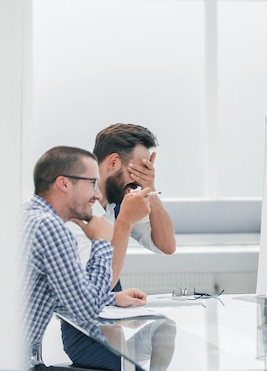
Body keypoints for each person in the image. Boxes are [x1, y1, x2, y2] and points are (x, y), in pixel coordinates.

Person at [19, 146, 147, 370]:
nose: (97, 195)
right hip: (18, 363)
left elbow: (66, 294)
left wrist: (112, 298)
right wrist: (101, 241)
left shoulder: (27, 215)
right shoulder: (50, 227)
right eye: (92, 183)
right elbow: (86, 311)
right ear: (64, 184)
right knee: (133, 367)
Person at [62, 123, 176, 369]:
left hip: (113, 319)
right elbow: (94, 287)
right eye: (138, 171)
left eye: (147, 172)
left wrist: (151, 190)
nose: (138, 182)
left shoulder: (116, 200)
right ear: (113, 162)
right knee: (129, 365)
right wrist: (124, 221)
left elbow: (167, 245)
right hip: (84, 332)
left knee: (166, 335)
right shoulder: (75, 210)